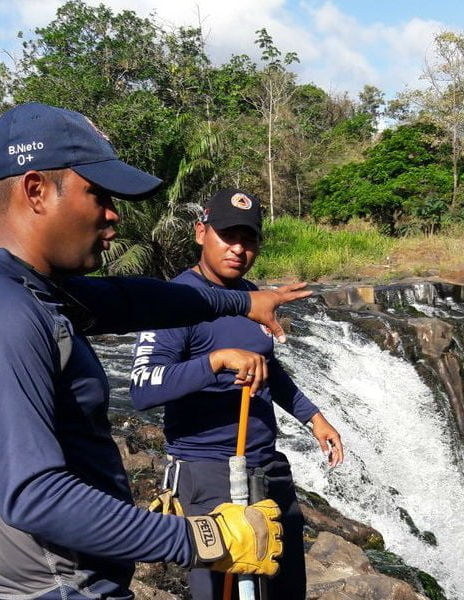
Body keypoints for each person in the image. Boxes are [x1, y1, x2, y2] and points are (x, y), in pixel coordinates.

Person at [0, 103, 310, 600]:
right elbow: (34, 496)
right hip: (51, 589)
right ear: (36, 189)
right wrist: (202, 538)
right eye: (98, 194)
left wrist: (244, 301)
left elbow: (136, 300)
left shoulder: (31, 287)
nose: (113, 213)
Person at [129, 188, 344, 600]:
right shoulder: (173, 301)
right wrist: (218, 360)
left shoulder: (253, 297)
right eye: (227, 235)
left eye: (248, 239)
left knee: (284, 590)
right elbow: (141, 388)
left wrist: (313, 418)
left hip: (266, 468)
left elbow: (269, 367)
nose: (238, 248)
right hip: (206, 476)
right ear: (200, 233)